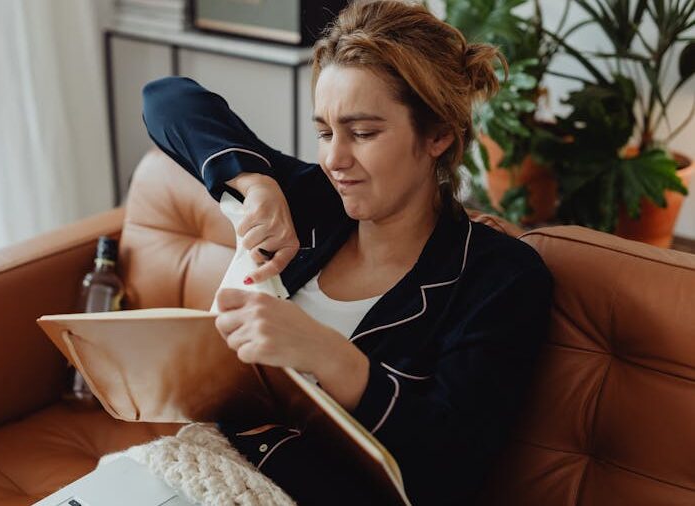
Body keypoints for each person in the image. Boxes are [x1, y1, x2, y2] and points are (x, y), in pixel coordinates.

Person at [141, 1, 554, 504]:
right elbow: (165, 99)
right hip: (202, 469)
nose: (335, 159)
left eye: (363, 133)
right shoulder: (309, 201)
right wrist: (255, 182)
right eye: (324, 132)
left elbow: (450, 464)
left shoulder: (499, 277)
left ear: (438, 135)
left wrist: (330, 356)